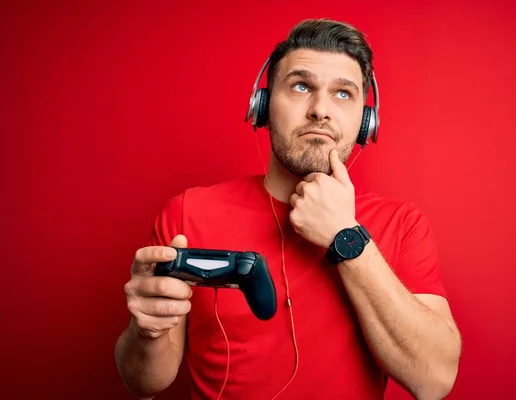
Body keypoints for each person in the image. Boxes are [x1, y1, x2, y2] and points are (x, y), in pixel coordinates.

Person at [114, 18, 462, 400]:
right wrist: (146, 331)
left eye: (343, 94)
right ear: (261, 107)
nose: (320, 110)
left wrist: (344, 236)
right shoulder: (187, 213)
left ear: (366, 121)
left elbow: (434, 382)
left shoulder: (403, 224)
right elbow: (145, 381)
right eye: (301, 86)